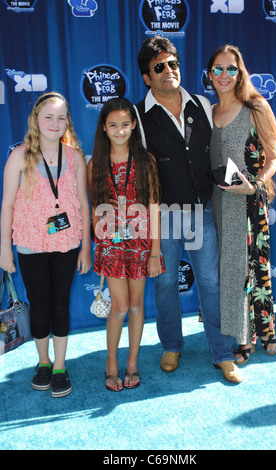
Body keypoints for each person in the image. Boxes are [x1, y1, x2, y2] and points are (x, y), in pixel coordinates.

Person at [135, 36, 242, 383]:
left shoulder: (202, 103)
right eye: (159, 67)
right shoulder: (138, 116)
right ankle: (171, 346)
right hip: (163, 216)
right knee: (165, 284)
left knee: (211, 283)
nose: (169, 70)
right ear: (147, 77)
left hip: (203, 212)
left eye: (173, 63)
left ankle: (223, 353)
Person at [0, 92, 92, 397]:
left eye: (61, 117)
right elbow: (8, 205)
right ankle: (43, 362)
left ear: (68, 121)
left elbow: (82, 201)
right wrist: (4, 248)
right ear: (36, 119)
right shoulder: (19, 155)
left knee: (60, 306)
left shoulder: (75, 156)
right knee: (40, 308)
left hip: (67, 243)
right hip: (30, 245)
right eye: (49, 117)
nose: (55, 123)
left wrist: (85, 247)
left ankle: (60, 366)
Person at [207, 44, 276, 364]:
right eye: (218, 69)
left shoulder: (256, 106)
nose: (224, 75)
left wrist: (254, 185)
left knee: (255, 269)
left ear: (240, 72)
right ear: (209, 74)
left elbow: (275, 155)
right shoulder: (208, 112)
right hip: (219, 203)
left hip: (250, 202)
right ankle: (240, 335)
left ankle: (264, 330)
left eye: (231, 68)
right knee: (230, 272)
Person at [88, 97, 164, 392]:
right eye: (113, 125)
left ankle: (132, 363)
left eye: (125, 124)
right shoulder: (95, 163)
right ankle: (111, 364)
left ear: (134, 125)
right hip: (112, 247)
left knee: (135, 305)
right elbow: (95, 208)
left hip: (142, 246)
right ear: (104, 128)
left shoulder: (146, 161)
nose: (120, 130)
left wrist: (155, 252)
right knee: (118, 307)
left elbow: (154, 208)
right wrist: (104, 236)